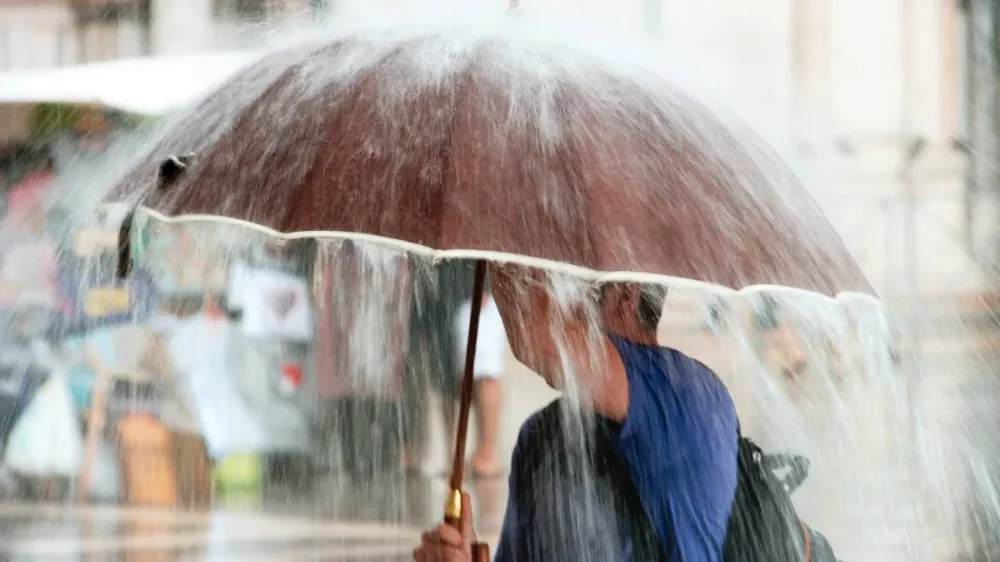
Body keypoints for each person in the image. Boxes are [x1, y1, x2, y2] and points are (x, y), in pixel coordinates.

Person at [413, 266, 740, 562]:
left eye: (563, 281)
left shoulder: (687, 393)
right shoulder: (542, 434)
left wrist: (495, 234)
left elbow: (536, 335)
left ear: (626, 293)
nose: (553, 296)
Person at [452, 283, 507, 478]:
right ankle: (481, 452)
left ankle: (488, 453)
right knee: (469, 376)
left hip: (477, 290)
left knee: (485, 371)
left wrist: (485, 287)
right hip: (456, 292)